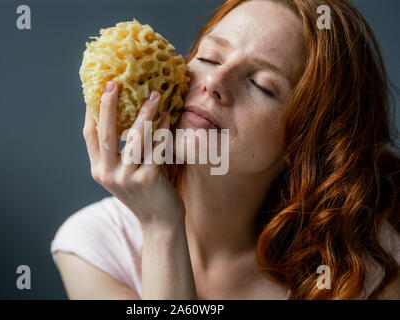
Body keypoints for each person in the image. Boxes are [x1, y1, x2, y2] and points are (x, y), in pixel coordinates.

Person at [51, 0, 400, 299]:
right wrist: (161, 228)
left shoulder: (365, 266)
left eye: (262, 86)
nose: (215, 82)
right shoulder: (95, 246)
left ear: (307, 139)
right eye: (210, 58)